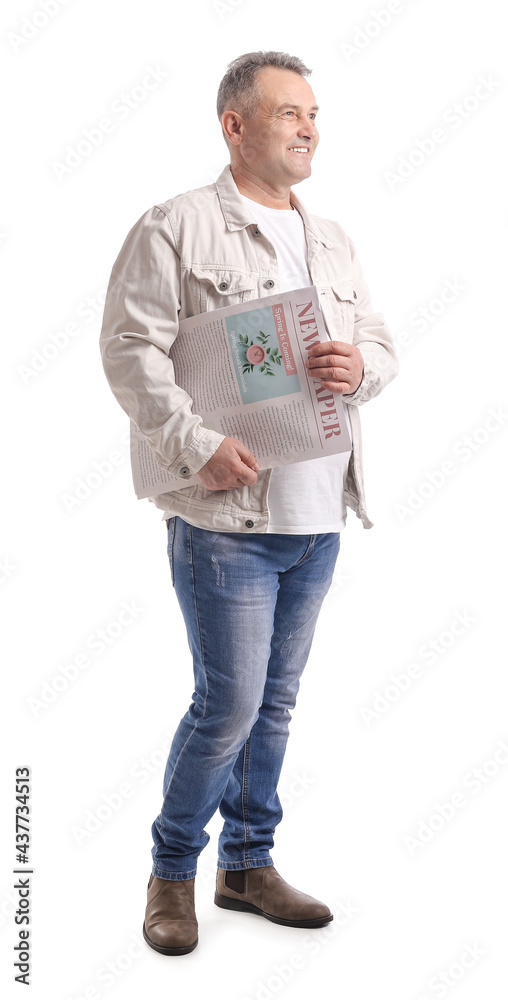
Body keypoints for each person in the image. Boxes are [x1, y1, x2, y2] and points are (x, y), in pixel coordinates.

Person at [99, 50, 398, 956]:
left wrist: (363, 368)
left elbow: (378, 341)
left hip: (318, 514)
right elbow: (128, 351)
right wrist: (196, 444)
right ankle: (171, 871)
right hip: (225, 519)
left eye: (315, 114)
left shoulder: (333, 235)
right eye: (288, 113)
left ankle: (248, 864)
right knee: (227, 706)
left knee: (274, 705)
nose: (309, 128)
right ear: (234, 126)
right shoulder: (175, 227)